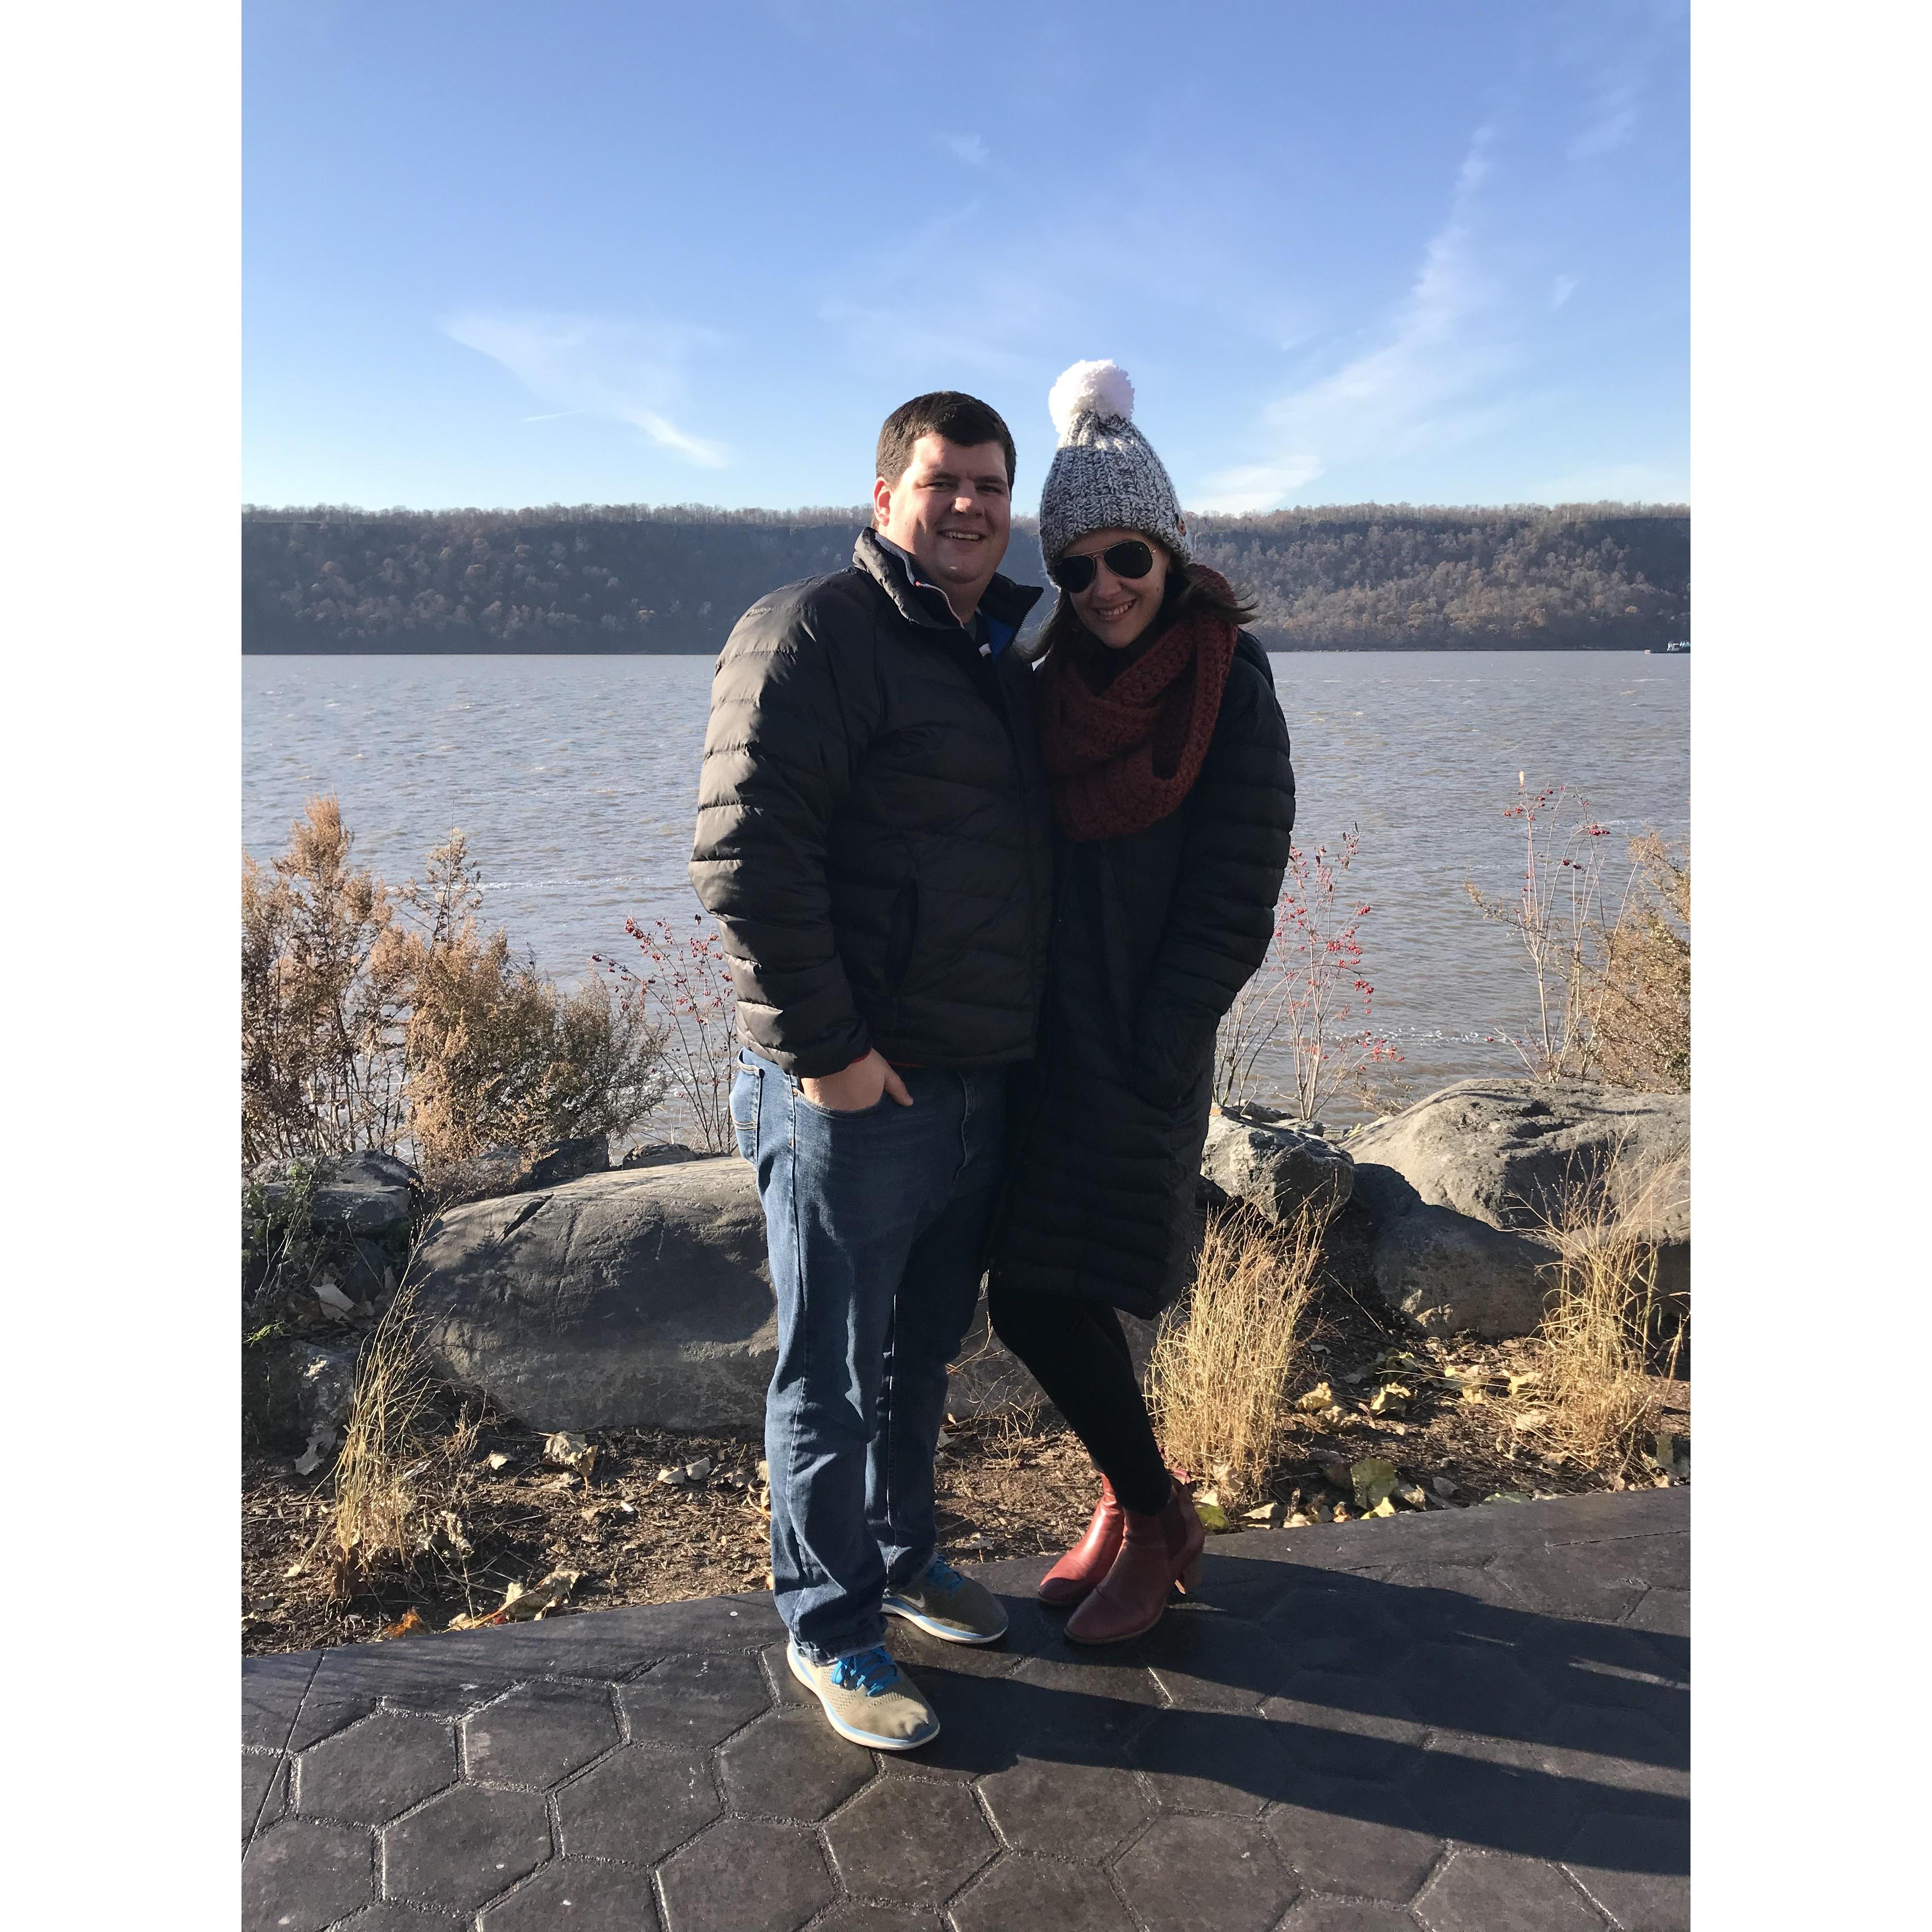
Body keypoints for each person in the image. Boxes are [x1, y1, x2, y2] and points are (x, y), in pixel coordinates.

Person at [689, 392, 1050, 1749]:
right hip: (853, 1092)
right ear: (888, 493)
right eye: (945, 480)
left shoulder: (994, 650)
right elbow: (746, 857)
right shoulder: (813, 632)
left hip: (973, 1081)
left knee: (920, 1357)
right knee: (831, 1375)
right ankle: (830, 1624)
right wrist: (831, 1056)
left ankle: (902, 1558)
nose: (970, 506)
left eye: (991, 486)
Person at [987, 359, 1297, 1645]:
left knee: (1049, 1292)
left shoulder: (1231, 685)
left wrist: (1164, 1038)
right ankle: (1137, 1503)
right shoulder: (1045, 682)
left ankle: (1155, 1513)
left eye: (1128, 557)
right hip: (1039, 1042)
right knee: (1041, 1289)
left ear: (1169, 550)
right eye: (1076, 568)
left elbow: (1238, 893)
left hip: (1140, 1043)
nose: (1104, 587)